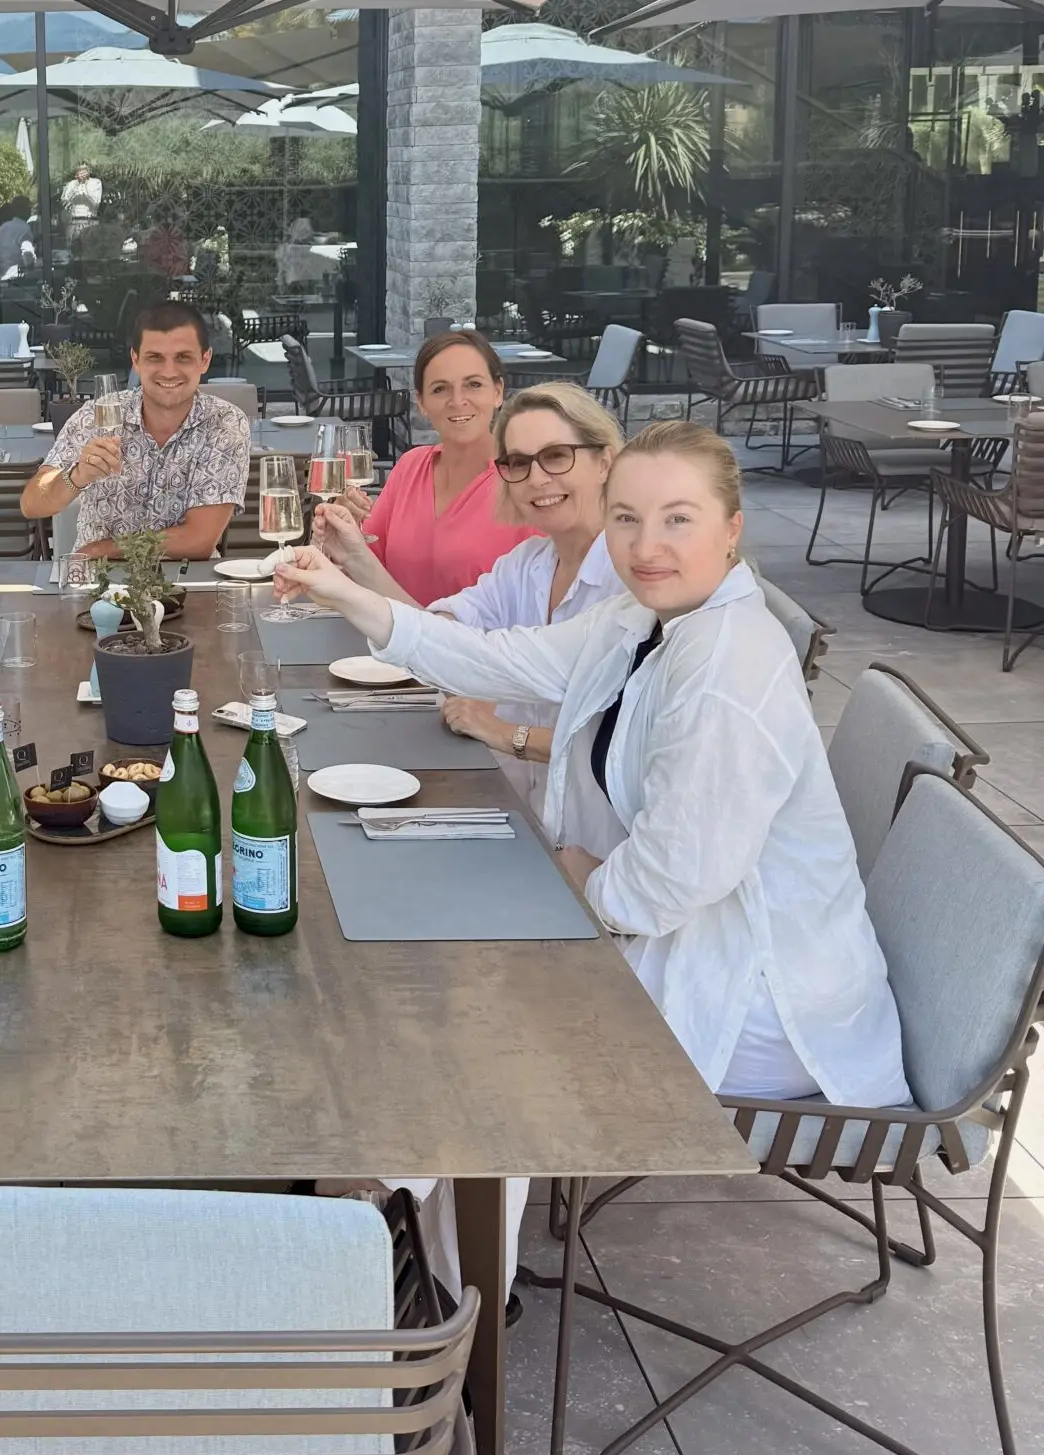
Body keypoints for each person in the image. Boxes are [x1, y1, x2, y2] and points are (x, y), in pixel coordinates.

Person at [279, 418, 910, 1114]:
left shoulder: (730, 668)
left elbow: (673, 880)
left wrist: (584, 882)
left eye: (678, 519)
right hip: (682, 940)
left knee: (463, 1008)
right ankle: (412, 1184)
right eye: (627, 519)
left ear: (731, 528)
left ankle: (394, 1186)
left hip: (754, 1000)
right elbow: (494, 659)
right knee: (432, 929)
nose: (647, 546)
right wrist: (342, 594)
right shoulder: (638, 619)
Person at [314, 382, 626, 812]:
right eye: (518, 463)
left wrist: (508, 735)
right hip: (517, 808)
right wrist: (354, 563)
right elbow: (441, 637)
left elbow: (631, 744)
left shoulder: (634, 579)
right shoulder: (528, 562)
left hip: (596, 842)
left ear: (604, 461)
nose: (537, 478)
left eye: (556, 456)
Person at [20, 301, 250, 561]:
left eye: (183, 357)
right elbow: (32, 505)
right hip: (99, 584)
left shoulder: (224, 422)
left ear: (204, 360)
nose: (169, 371)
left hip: (186, 583)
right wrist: (78, 475)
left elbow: (199, 540)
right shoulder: (96, 415)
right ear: (136, 360)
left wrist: (101, 549)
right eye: (155, 357)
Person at [337, 329, 537, 605]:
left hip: (484, 647)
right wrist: (344, 526)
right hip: (391, 644)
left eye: (474, 384)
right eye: (440, 389)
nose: (457, 401)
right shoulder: (411, 466)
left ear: (498, 392)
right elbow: (366, 560)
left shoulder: (526, 483)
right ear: (422, 402)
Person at [0, 199, 36, 282]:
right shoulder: (24, 229)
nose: (31, 211)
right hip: (18, 281)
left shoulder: (2, 228)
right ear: (26, 210)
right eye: (29, 208)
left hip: (1, 278)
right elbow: (28, 258)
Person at [61, 162, 102, 241]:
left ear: (88, 171)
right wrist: (77, 186)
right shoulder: (72, 184)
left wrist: (86, 188)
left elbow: (96, 203)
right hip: (74, 222)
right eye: (79, 171)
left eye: (84, 171)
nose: (82, 173)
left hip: (90, 221)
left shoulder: (96, 182)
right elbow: (65, 201)